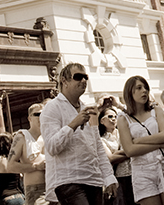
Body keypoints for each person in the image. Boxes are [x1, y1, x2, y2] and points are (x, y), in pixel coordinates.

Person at [41, 63, 117, 205]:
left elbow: (97, 146)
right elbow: (51, 147)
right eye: (78, 77)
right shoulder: (51, 108)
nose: (83, 81)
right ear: (64, 81)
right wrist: (73, 124)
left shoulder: (88, 109)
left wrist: (109, 176)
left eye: (85, 77)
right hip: (68, 181)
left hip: (93, 180)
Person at [118, 76, 164, 205]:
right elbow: (130, 150)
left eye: (146, 88)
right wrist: (160, 144)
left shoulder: (156, 110)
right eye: (139, 88)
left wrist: (138, 141)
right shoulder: (123, 118)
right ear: (129, 92)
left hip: (163, 167)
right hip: (142, 172)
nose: (144, 91)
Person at [8, 104, 48, 205]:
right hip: (36, 191)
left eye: (43, 114)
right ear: (29, 118)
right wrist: (36, 167)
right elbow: (10, 166)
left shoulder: (49, 135)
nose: (41, 117)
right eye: (37, 114)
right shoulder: (22, 137)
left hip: (56, 187)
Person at [99, 107, 133, 205]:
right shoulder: (101, 139)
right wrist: (129, 150)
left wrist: (121, 153)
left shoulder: (125, 132)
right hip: (118, 178)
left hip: (134, 173)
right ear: (102, 120)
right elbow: (110, 158)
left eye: (115, 116)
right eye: (110, 116)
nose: (114, 119)